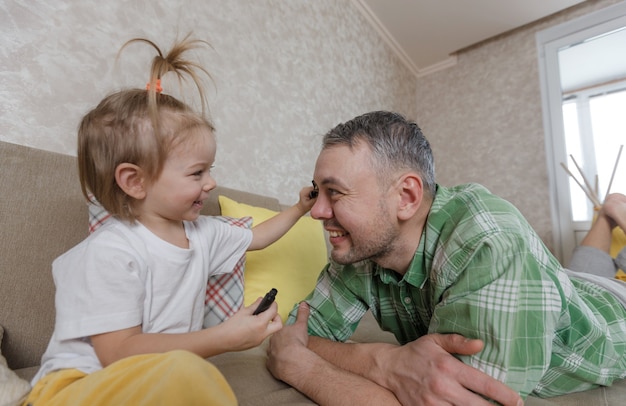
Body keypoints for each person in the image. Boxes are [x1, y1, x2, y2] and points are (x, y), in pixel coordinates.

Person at [25, 36, 316, 406]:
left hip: (149, 378)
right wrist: (224, 338)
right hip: (75, 388)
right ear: (136, 181)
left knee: (186, 373)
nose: (210, 183)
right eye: (197, 173)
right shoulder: (108, 252)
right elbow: (118, 353)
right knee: (189, 374)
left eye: (210, 170)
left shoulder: (203, 235)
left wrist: (297, 209)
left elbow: (256, 237)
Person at [266, 111, 626, 405]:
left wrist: (305, 369)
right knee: (583, 265)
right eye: (317, 192)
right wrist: (383, 361)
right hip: (569, 282)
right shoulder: (362, 247)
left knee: (607, 271)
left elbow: (460, 399)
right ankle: (609, 214)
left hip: (614, 310)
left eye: (335, 192)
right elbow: (302, 334)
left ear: (406, 197)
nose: (316, 211)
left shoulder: (490, 244)